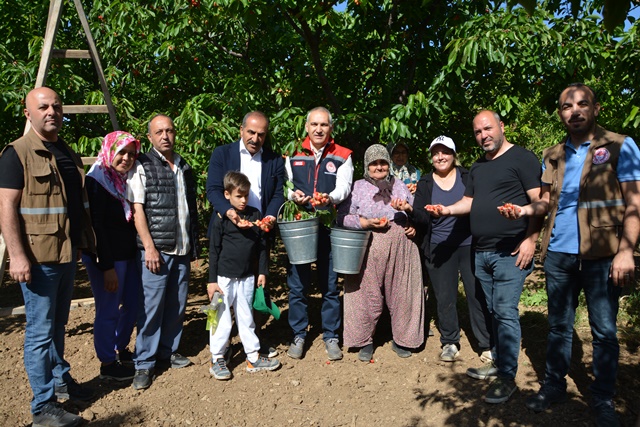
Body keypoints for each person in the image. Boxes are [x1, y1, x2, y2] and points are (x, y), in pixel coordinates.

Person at [522, 83, 640, 426]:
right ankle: (554, 385)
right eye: (566, 106)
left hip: (603, 254)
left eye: (581, 104)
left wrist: (626, 251)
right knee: (558, 325)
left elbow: (634, 202)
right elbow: (545, 202)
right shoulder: (553, 154)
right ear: (560, 114)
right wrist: (524, 209)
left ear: (596, 108)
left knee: (604, 330)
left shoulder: (619, 146)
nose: (574, 111)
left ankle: (602, 397)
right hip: (559, 253)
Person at [427, 110, 547, 404]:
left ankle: (507, 377)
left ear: (501, 126)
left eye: (488, 128)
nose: (484, 135)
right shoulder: (478, 167)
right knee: (493, 309)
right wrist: (446, 210)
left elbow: (541, 202)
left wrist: (531, 237)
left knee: (505, 311)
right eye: (478, 132)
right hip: (482, 251)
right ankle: (499, 363)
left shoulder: (522, 158)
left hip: (511, 251)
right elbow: (469, 202)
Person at [0, 87, 95, 427]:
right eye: (43, 107)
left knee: (57, 326)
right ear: (28, 114)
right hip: (39, 258)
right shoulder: (17, 154)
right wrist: (17, 256)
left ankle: (60, 382)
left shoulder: (63, 150)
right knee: (40, 333)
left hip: (66, 253)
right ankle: (43, 407)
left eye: (56, 105)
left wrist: (82, 241)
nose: (51, 111)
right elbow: (6, 207)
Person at [398, 136, 492, 363]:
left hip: (469, 244)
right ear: (431, 157)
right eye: (436, 153)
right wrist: (411, 209)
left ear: (453, 154)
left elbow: (480, 205)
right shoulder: (426, 183)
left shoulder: (468, 176)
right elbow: (421, 217)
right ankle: (450, 341)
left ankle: (486, 343)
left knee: (477, 294)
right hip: (439, 246)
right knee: (445, 296)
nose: (440, 157)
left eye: (445, 152)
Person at [128, 114, 199, 390]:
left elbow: (189, 210)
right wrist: (148, 246)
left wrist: (193, 244)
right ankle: (143, 363)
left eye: (169, 130)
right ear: (150, 137)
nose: (165, 136)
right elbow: (137, 210)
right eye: (159, 132)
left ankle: (167, 352)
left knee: (177, 304)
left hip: (181, 248)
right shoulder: (142, 165)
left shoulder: (184, 166)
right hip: (156, 250)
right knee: (151, 307)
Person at [206, 111, 285, 357]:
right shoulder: (223, 154)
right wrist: (229, 212)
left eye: (261, 134)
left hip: (259, 232)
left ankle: (251, 342)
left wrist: (270, 216)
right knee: (222, 297)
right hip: (229, 231)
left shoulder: (274, 160)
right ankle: (220, 348)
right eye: (251, 132)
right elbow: (213, 189)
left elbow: (278, 193)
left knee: (253, 290)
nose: (255, 138)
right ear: (241, 130)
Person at [338, 144, 424, 361]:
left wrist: (412, 221)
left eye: (383, 162)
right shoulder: (357, 187)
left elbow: (417, 213)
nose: (379, 167)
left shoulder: (401, 186)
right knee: (363, 295)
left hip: (401, 246)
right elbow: (342, 218)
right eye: (374, 163)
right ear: (367, 165)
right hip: (368, 246)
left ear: (389, 164)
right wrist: (364, 222)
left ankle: (403, 339)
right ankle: (364, 340)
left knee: (404, 294)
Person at [285, 106, 354, 361]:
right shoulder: (292, 153)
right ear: (306, 127)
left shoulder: (343, 155)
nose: (318, 129)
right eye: (314, 124)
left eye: (323, 125)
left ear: (331, 128)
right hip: (301, 224)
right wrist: (295, 195)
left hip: (328, 224)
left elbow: (344, 188)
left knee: (329, 283)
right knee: (298, 283)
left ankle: (331, 334)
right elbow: (286, 185)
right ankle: (299, 333)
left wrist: (329, 198)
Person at [207, 171, 281, 380]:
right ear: (227, 195)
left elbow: (261, 247)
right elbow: (213, 250)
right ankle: (217, 357)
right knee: (220, 317)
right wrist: (212, 280)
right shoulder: (222, 218)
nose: (243, 200)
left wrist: (262, 272)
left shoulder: (255, 215)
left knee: (246, 317)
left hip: (247, 276)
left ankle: (253, 356)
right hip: (224, 278)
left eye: (246, 196)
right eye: (238, 196)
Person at [81, 131, 141, 382]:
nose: (126, 159)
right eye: (121, 152)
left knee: (134, 304)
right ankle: (107, 362)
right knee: (108, 310)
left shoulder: (124, 180)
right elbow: (96, 226)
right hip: (106, 257)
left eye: (131, 154)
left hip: (126, 254)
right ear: (109, 151)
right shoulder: (96, 181)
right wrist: (106, 266)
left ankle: (120, 348)